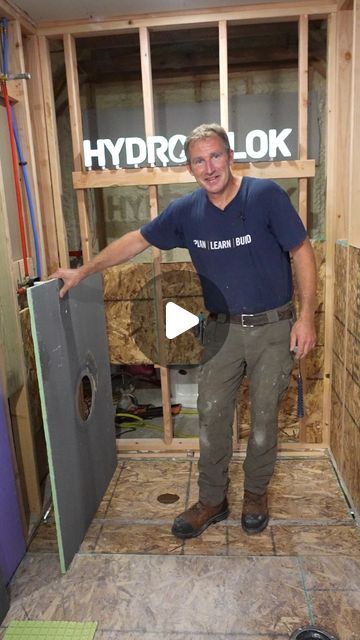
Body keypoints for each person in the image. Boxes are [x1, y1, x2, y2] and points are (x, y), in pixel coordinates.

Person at [52, 123, 317, 538]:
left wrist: (306, 318)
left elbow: (301, 250)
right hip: (220, 333)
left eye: (215, 156)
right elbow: (135, 241)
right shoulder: (186, 212)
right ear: (190, 168)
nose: (209, 167)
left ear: (230, 157)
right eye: (199, 160)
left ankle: (255, 495)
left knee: (264, 420)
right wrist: (84, 270)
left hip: (273, 329)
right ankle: (213, 500)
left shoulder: (265, 197)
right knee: (210, 417)